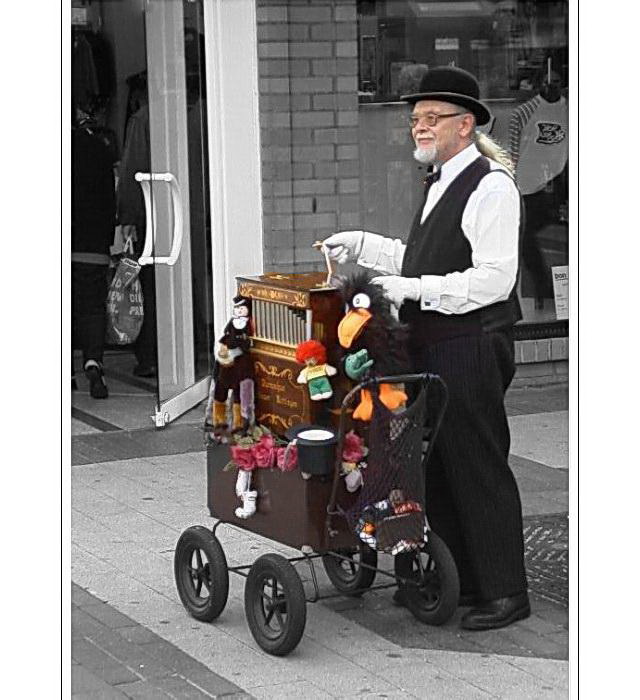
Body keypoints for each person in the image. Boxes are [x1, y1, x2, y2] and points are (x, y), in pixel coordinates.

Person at [323, 66, 529, 631]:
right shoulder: (439, 180)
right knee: (436, 464)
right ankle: (462, 579)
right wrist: (365, 245)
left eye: (431, 118)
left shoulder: (492, 186)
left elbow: (493, 280)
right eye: (415, 119)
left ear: (465, 126)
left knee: (477, 461)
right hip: (435, 343)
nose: (419, 127)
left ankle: (507, 590)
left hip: (472, 343)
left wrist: (411, 289)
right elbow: (424, 260)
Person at [72, 104, 116, 398]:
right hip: (93, 244)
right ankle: (93, 363)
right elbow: (110, 197)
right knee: (92, 307)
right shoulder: (99, 149)